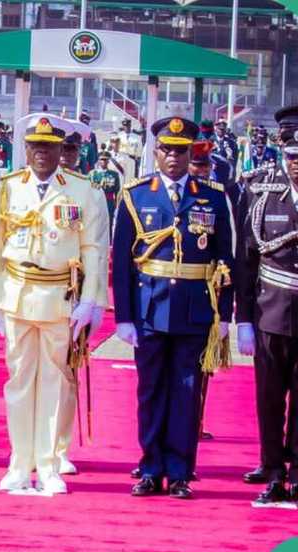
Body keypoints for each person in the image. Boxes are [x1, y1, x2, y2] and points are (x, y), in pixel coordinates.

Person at [0, 114, 109, 494]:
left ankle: (49, 465)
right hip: (18, 294)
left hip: (59, 297)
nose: (42, 154)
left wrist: (91, 302)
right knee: (19, 381)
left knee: (55, 380)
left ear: (61, 150)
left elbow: (94, 250)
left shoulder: (82, 190)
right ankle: (20, 464)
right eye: (35, 147)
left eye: (49, 147)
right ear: (25, 149)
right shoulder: (8, 188)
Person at [112, 116, 234, 501]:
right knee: (150, 391)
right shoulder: (136, 194)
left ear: (190, 153)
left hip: (195, 310)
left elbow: (225, 260)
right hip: (150, 307)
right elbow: (121, 262)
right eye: (166, 150)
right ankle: (150, 468)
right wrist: (124, 316)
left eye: (181, 151)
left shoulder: (212, 197)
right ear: (155, 151)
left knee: (186, 392)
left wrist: (225, 315)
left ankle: (180, 471)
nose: (173, 158)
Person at [235, 105, 298, 503]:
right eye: (292, 157)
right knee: (270, 396)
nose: (297, 165)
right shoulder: (261, 191)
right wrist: (243, 319)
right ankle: (273, 468)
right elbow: (246, 260)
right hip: (271, 310)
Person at [90, 150, 122, 224]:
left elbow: (117, 191)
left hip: (109, 203)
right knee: (95, 224)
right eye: (102, 159)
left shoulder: (114, 174)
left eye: (106, 159)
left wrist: (117, 206)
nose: (104, 161)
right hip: (96, 202)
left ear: (108, 161)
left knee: (108, 223)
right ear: (98, 160)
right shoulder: (92, 174)